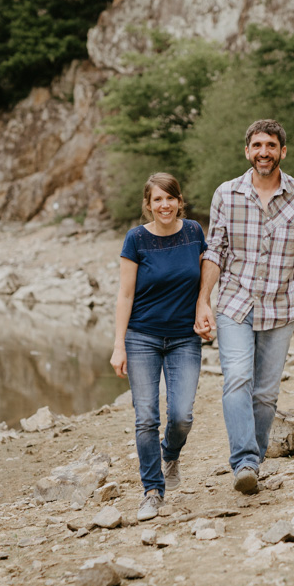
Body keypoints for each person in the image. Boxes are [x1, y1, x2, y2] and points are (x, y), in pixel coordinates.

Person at [194, 119, 294, 495]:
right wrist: (204, 301)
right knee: (238, 378)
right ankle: (243, 460)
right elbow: (215, 251)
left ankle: (254, 461)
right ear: (247, 151)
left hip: (280, 306)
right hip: (235, 302)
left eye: (271, 145)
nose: (264, 152)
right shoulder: (226, 194)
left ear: (282, 152)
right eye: (257, 145)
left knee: (265, 394)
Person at [111, 173, 207, 521]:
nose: (164, 205)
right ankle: (152, 490)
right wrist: (118, 345)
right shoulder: (136, 239)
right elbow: (125, 295)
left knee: (182, 415)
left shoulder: (194, 232)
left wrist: (205, 312)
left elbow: (205, 281)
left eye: (170, 198)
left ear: (180, 201)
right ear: (148, 205)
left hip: (184, 337)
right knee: (146, 417)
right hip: (142, 337)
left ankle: (171, 453)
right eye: (157, 200)